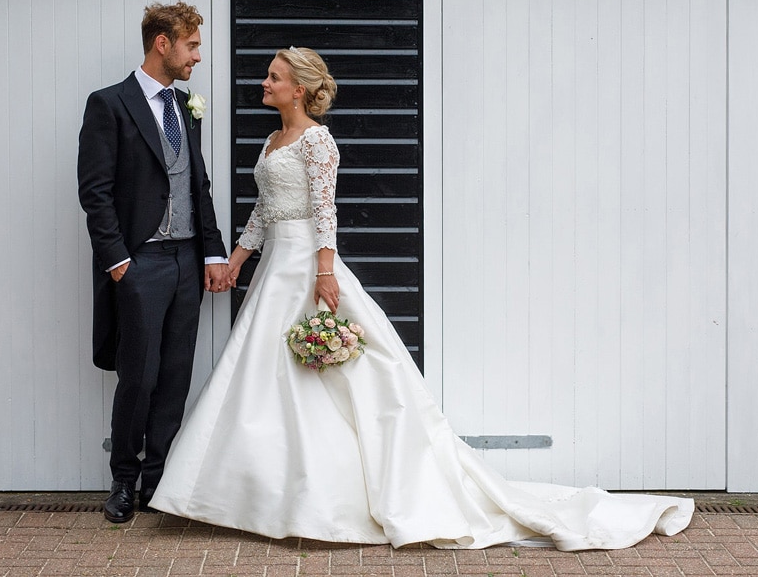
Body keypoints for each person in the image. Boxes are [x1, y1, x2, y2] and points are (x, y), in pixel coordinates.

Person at [149, 47, 694, 550]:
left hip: (307, 268)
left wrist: (324, 272)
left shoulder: (318, 141)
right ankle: (258, 496)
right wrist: (235, 264)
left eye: (274, 77)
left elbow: (325, 210)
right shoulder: (272, 143)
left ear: (299, 89)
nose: (263, 82)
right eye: (268, 75)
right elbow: (264, 212)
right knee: (262, 382)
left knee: (328, 382)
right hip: (273, 271)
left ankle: (321, 499)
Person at [77, 1, 230, 524]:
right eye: (191, 46)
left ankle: (157, 478)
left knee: (175, 375)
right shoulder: (110, 104)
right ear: (162, 43)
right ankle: (123, 478)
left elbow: (196, 183)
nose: (197, 58)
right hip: (141, 262)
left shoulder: (186, 104)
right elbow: (95, 193)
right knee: (137, 376)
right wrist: (119, 262)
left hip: (188, 260)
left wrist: (212, 251)